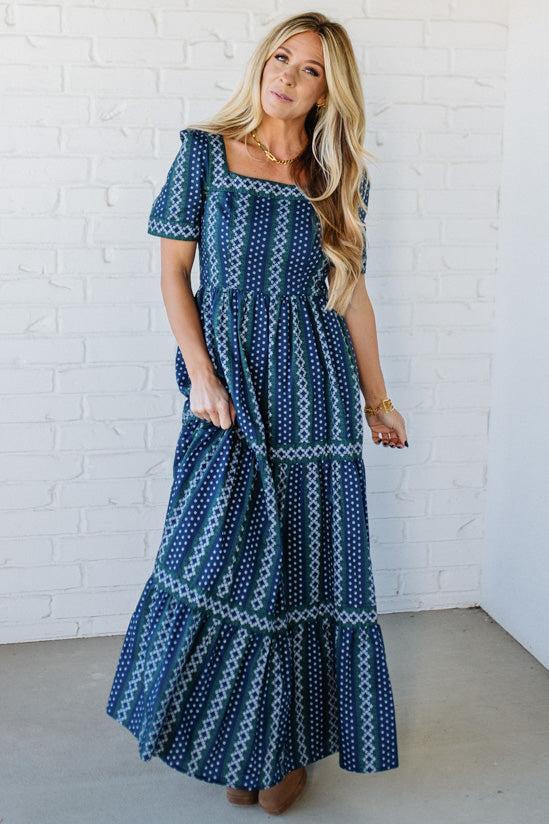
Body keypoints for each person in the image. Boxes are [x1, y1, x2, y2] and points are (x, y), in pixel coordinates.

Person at [106, 11, 407, 816]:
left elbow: (350, 296)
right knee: (228, 562)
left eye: (309, 69)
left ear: (327, 89)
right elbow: (174, 274)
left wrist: (376, 398)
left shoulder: (337, 178)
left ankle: (277, 751)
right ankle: (237, 737)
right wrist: (200, 377)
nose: (287, 76)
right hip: (231, 385)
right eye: (281, 58)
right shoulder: (204, 151)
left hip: (313, 387)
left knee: (305, 567)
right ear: (261, 62)